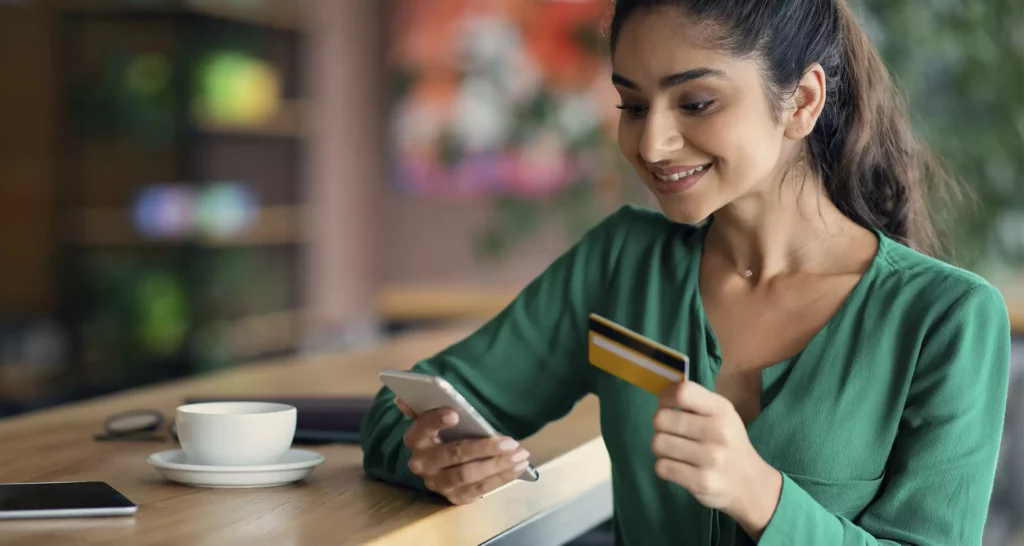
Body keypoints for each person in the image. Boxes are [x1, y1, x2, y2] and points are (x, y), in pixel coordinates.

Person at [361, 0, 1012, 544]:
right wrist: (436, 462)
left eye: (695, 102)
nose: (651, 144)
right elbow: (403, 409)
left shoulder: (946, 319)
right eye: (633, 106)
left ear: (802, 101)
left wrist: (759, 493)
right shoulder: (621, 265)